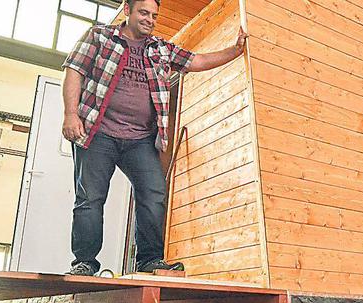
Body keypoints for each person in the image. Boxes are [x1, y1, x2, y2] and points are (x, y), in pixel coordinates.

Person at [61, 0, 247, 275]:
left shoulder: (160, 48)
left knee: (154, 193)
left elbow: (196, 61)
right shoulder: (99, 37)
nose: (150, 19)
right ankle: (85, 262)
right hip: (98, 133)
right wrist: (70, 114)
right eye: (144, 13)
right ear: (127, 10)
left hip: (141, 139)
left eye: (154, 15)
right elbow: (74, 70)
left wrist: (234, 50)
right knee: (91, 198)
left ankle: (148, 260)